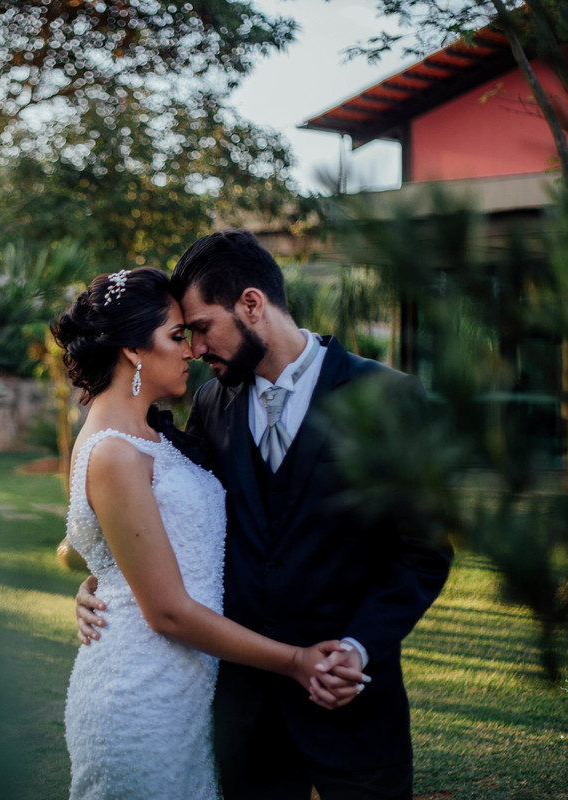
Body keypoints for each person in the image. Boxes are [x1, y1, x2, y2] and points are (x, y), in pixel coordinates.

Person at [75, 231, 454, 799]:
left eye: (202, 327)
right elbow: (161, 517)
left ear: (252, 304)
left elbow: (423, 553)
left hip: (352, 706)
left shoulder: (387, 397)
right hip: (245, 718)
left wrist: (356, 649)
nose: (195, 348)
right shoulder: (210, 403)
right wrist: (101, 581)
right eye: (183, 333)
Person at [53, 267, 369, 800]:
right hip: (139, 695)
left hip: (189, 695)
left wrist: (99, 580)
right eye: (177, 336)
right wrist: (295, 660)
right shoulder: (113, 452)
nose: (192, 351)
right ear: (132, 349)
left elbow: (94, 543)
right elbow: (167, 611)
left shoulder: (150, 435)